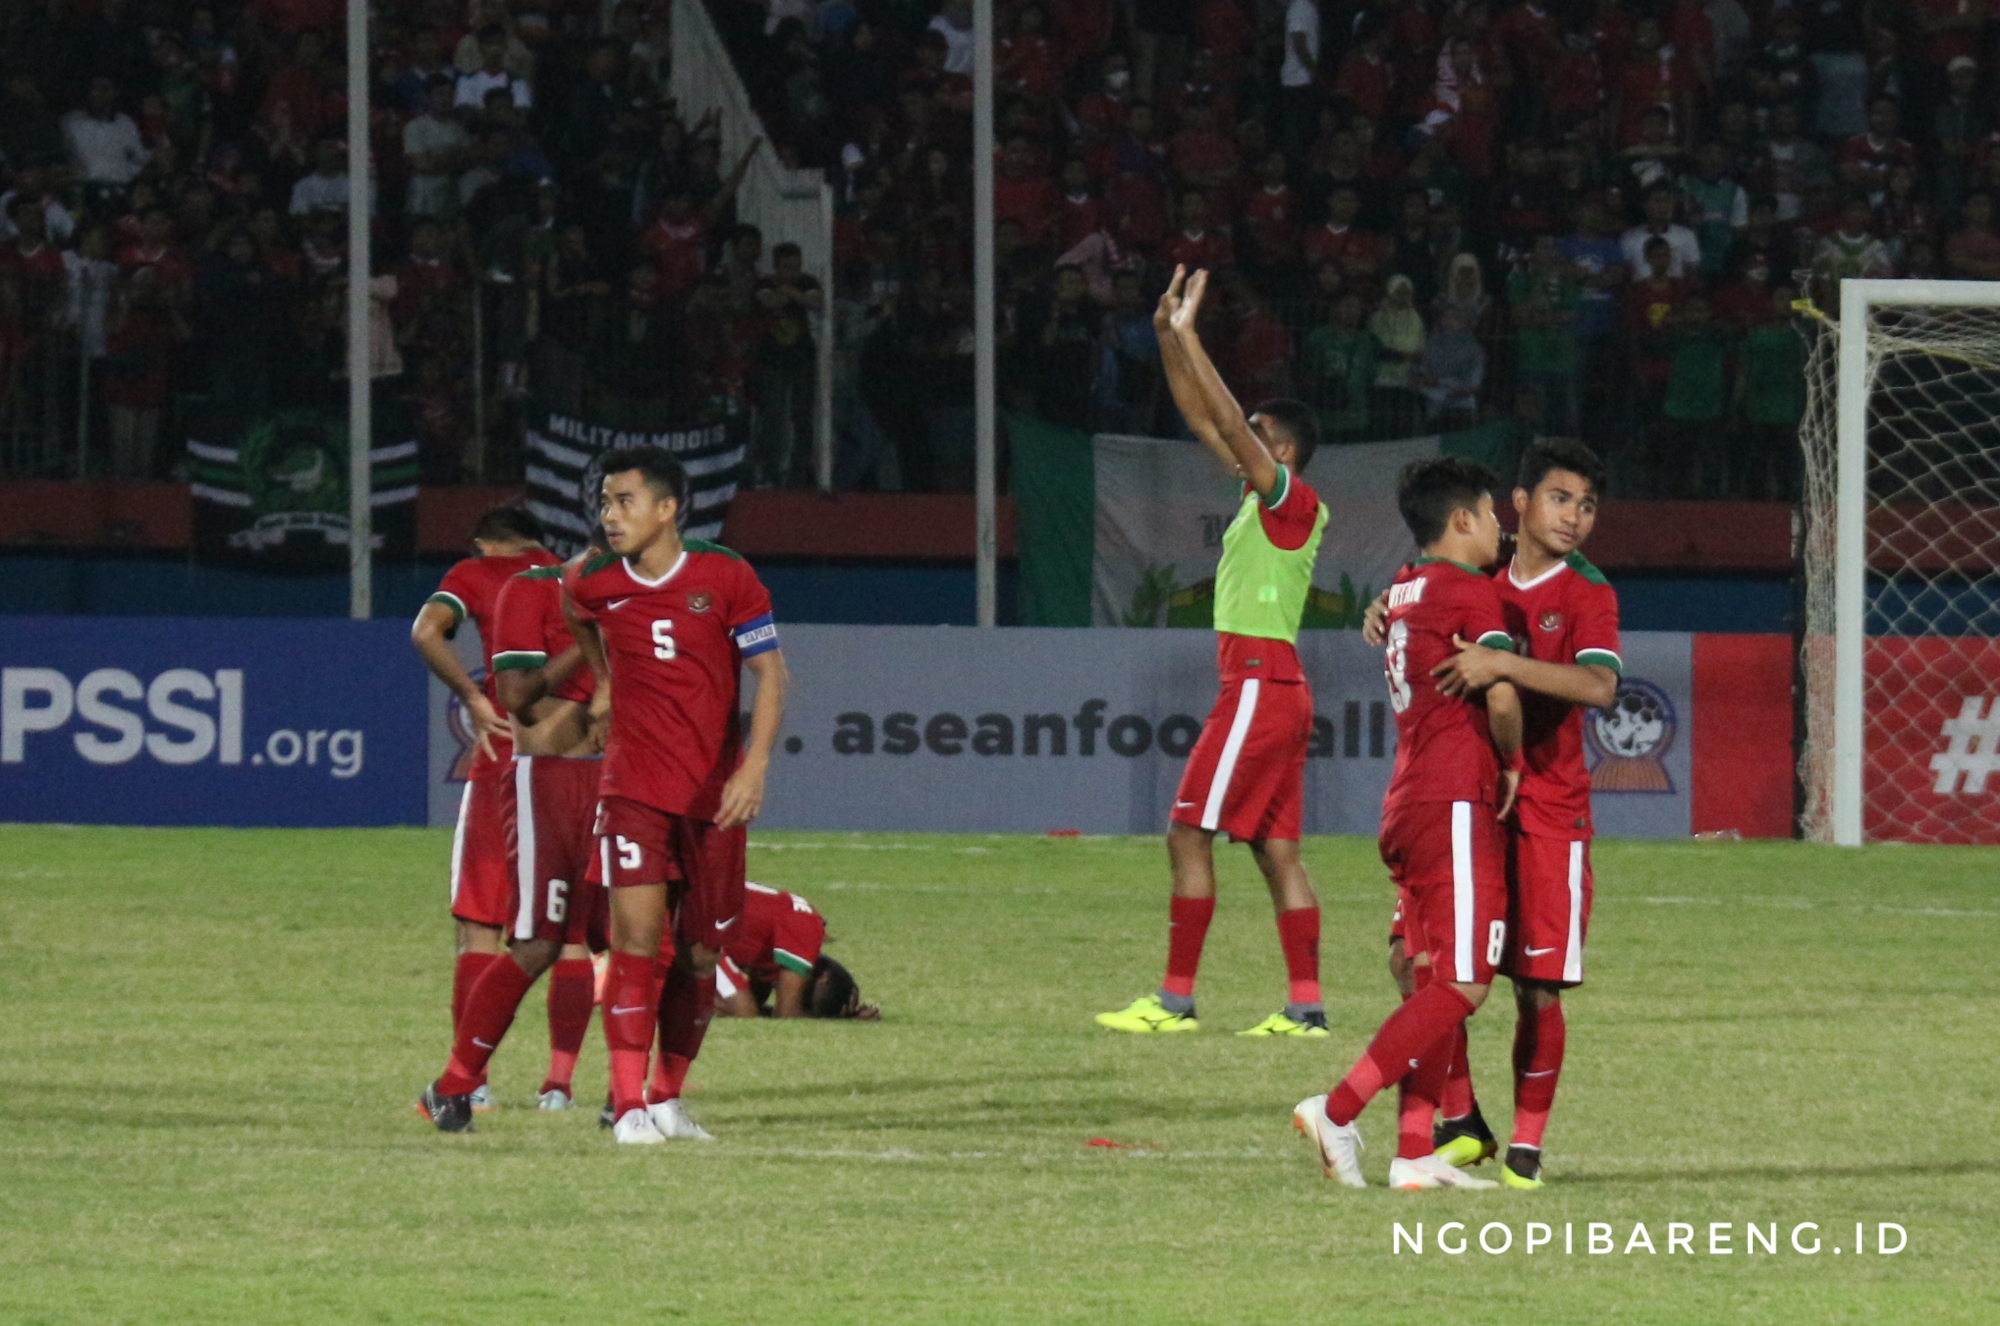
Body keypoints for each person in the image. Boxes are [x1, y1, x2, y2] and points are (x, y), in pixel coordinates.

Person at [1096, 266, 1331, 1039]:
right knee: (1276, 851)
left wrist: (1196, 338)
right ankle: (1306, 1008)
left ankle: (1174, 999)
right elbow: (1206, 420)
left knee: (1187, 833)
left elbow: (1227, 422)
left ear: (1286, 450)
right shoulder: (1263, 502)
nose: (1244, 442)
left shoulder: (1291, 498)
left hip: (1260, 685)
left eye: (1262, 437)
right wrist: (1170, 337)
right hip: (1276, 684)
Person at [1294, 456, 1523, 1190]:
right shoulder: (1468, 590)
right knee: (1462, 986)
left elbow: (1395, 623)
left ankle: (1415, 1153)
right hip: (1455, 799)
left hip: (1408, 799)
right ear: (1462, 521)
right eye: (1491, 514)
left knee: (1428, 979)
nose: (1500, 527)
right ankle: (1337, 1108)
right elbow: (1498, 691)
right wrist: (1514, 762)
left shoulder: (1402, 586)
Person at [562, 448, 791, 1144]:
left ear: (668, 510)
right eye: (605, 501)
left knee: (699, 955)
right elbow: (576, 615)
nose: (610, 513)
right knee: (636, 943)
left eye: (625, 500)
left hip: (713, 796)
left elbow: (773, 675)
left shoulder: (726, 576)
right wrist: (603, 681)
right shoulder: (593, 582)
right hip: (632, 789)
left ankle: (665, 1097)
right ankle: (626, 1106)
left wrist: (753, 768)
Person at [1418, 439, 1621, 1189]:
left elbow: (1599, 689)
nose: (1575, 516)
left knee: (1537, 987)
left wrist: (1502, 662)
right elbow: (1422, 591)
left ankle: (1528, 1148)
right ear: (1521, 502)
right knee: (1424, 963)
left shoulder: (1589, 592)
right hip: (1473, 800)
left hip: (1548, 806)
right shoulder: (1477, 572)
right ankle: (1463, 1122)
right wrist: (1383, 607)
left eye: (1589, 504)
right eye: (1562, 498)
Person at [419, 546, 606, 1131]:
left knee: (640, 937)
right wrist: (595, 641)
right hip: (544, 782)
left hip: (623, 780)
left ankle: (620, 1092)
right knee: (536, 939)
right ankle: (459, 1085)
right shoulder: (530, 587)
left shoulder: (657, 592)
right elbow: (519, 697)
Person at [409, 507, 557, 1111]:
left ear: (482, 541)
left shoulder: (476, 573)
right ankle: (580, 1086)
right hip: (577, 759)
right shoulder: (570, 576)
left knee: (480, 924)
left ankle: (474, 1081)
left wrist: (472, 695)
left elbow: (425, 631)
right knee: (572, 932)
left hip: (504, 756)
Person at [713, 883, 880, 1019]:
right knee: (743, 1011)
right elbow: (786, 1015)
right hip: (697, 921)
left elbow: (760, 1007)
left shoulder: (772, 962)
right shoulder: (807, 930)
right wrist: (839, 1020)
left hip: (700, 914)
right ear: (822, 979)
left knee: (744, 1006)